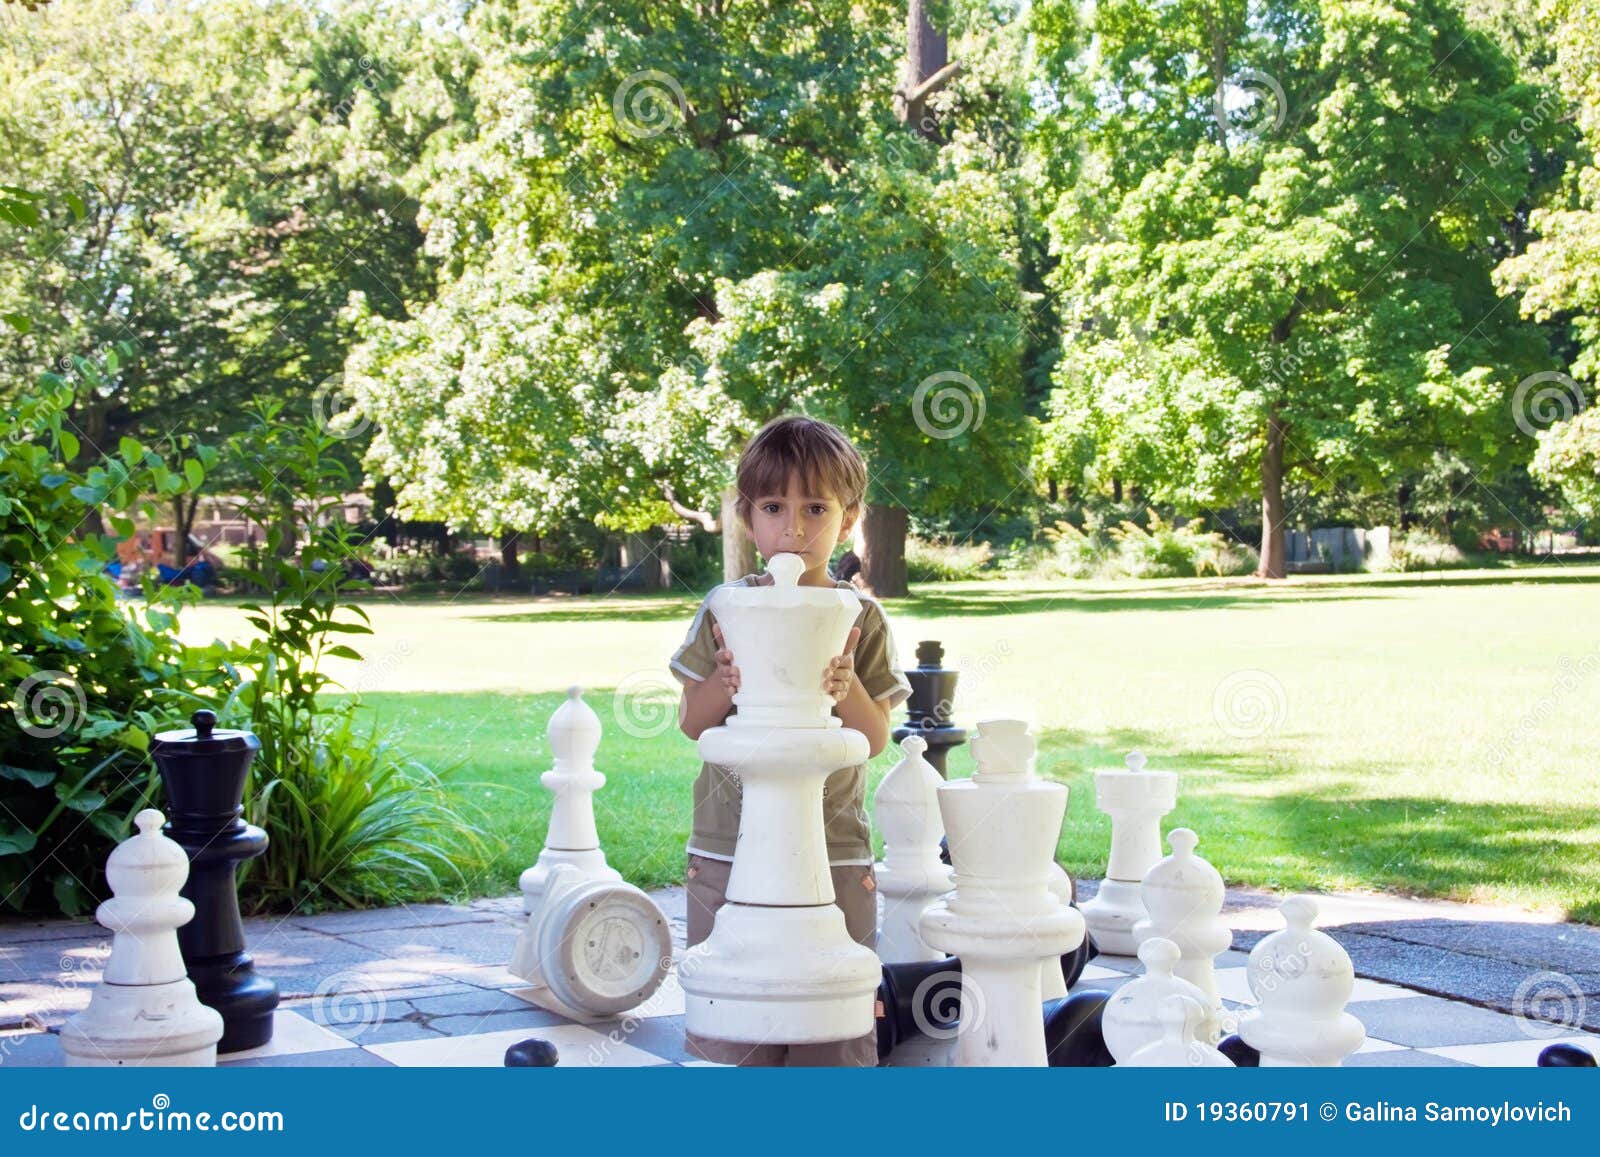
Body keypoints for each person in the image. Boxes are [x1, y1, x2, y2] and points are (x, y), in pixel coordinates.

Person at [669, 415, 911, 1066]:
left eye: (815, 508)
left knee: (831, 1018)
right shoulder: (728, 606)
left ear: (849, 516)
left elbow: (874, 735)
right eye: (774, 507)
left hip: (831, 848)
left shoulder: (860, 616)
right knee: (732, 1016)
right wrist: (723, 680)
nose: (794, 529)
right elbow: (695, 722)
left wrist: (847, 686)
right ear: (749, 517)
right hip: (726, 845)